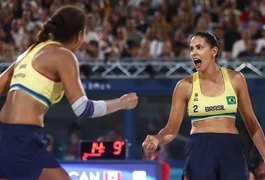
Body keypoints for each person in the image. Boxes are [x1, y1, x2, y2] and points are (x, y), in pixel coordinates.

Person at [0, 5, 138, 180]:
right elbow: (83, 109)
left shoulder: (29, 52)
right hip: (23, 138)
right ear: (80, 35)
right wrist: (122, 103)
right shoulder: (64, 56)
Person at [142, 31, 265, 180]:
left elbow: (252, 124)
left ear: (214, 51)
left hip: (231, 149)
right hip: (200, 149)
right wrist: (157, 138)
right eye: (191, 48)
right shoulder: (184, 86)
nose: (194, 52)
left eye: (199, 47)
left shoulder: (236, 79)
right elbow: (171, 129)